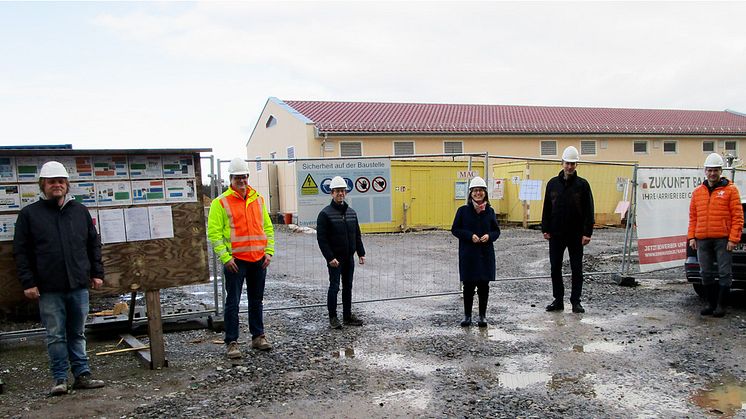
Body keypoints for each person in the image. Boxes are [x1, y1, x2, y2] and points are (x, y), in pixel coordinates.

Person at [13, 161, 105, 396]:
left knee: (78, 332)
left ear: (67, 185)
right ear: (42, 185)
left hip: (78, 285)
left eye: (61, 182)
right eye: (52, 182)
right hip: (48, 287)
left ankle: (82, 375)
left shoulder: (80, 211)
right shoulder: (29, 215)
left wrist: (96, 273)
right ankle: (59, 379)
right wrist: (28, 282)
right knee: (55, 335)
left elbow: (93, 243)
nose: (57, 185)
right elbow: (21, 252)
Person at [208, 157, 275, 358]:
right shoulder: (220, 203)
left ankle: (258, 336)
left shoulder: (258, 200)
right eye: (238, 178)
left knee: (257, 301)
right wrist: (225, 257)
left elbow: (268, 228)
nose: (242, 181)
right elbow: (214, 233)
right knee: (233, 303)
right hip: (235, 262)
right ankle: (232, 341)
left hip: (258, 259)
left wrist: (268, 252)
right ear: (231, 179)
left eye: (245, 177)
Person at [688, 153, 743, 318]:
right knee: (705, 272)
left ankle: (721, 305)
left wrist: (733, 239)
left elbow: (737, 216)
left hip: (722, 239)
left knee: (725, 272)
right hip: (702, 239)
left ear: (721, 171)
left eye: (716, 170)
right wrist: (692, 236)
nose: (713, 173)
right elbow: (693, 216)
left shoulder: (731, 190)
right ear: (705, 171)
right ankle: (710, 304)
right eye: (710, 170)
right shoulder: (698, 192)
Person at [541, 146, 595, 314]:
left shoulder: (583, 185)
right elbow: (547, 207)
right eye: (567, 163)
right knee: (555, 267)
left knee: (577, 268)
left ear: (576, 164)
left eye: (573, 163)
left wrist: (587, 232)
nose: (570, 166)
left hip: (576, 234)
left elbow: (589, 209)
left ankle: (575, 301)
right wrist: (545, 228)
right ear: (562, 163)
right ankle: (558, 300)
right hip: (556, 233)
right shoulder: (552, 184)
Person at [316, 176, 366, 329]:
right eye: (337, 191)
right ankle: (333, 317)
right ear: (332, 193)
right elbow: (322, 239)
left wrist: (360, 252)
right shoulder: (325, 214)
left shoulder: (351, 213)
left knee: (348, 286)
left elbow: (356, 234)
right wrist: (330, 257)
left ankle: (347, 316)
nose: (340, 194)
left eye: (343, 191)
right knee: (334, 287)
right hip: (335, 260)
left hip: (348, 258)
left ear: (346, 193)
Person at [451, 176, 501, 327]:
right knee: (468, 286)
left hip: (485, 254)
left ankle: (482, 316)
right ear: (470, 193)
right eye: (475, 191)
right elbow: (455, 229)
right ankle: (467, 316)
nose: (478, 193)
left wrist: (489, 236)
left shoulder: (490, 211)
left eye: (481, 191)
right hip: (469, 254)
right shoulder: (463, 211)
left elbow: (496, 231)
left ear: (485, 193)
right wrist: (469, 236)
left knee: (484, 286)